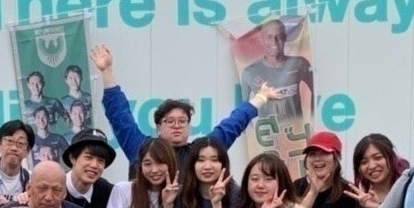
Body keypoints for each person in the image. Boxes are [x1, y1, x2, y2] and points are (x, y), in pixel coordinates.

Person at [90, 42, 282, 168]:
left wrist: (261, 97)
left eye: (182, 121)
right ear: (158, 127)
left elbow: (232, 125)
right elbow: (120, 116)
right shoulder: (142, 148)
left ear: (189, 127)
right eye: (170, 121)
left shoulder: (200, 153)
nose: (177, 125)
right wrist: (107, 71)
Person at [240, 17, 314, 122]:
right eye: (269, 37)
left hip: (296, 131)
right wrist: (250, 130)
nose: (274, 41)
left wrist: (312, 120)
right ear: (262, 40)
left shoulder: (300, 64)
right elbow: (243, 109)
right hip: (268, 131)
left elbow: (316, 90)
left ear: (285, 38)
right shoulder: (249, 72)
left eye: (278, 37)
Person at [62, 128, 116, 208]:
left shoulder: (108, 192)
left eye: (100, 160)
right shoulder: (55, 186)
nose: (94, 165)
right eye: (88, 157)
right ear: (73, 158)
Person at [347, 133, 409, 208]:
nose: (371, 166)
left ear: (391, 156)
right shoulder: (362, 201)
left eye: (377, 157)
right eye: (364, 162)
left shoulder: (410, 188)